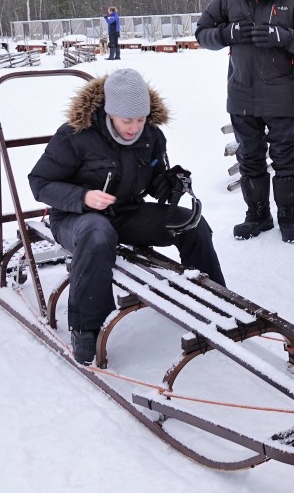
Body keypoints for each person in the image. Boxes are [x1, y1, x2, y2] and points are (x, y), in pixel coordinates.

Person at [28, 69, 227, 365]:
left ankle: (212, 299)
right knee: (97, 234)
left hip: (125, 213)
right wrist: (83, 197)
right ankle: (86, 327)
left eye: (140, 119)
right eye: (127, 120)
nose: (134, 128)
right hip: (74, 218)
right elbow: (40, 183)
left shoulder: (151, 136)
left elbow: (153, 178)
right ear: (109, 113)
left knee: (193, 224)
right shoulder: (75, 135)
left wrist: (169, 183)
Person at [195, 0, 294, 244]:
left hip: (280, 94)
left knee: (285, 158)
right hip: (242, 94)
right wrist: (227, 33)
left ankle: (288, 216)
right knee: (249, 158)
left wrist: (285, 37)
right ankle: (257, 215)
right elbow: (202, 32)